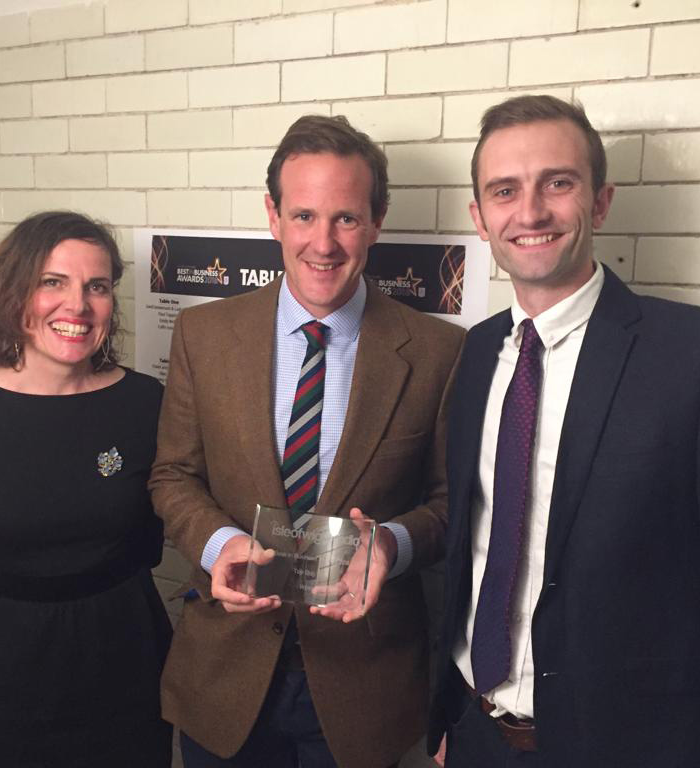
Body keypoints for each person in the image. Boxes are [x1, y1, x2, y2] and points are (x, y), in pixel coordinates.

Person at [428, 95, 700, 768]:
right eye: (505, 191)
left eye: (558, 183)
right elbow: (473, 547)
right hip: (476, 735)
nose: (530, 212)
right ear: (480, 218)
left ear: (601, 202)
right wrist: (448, 719)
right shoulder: (477, 352)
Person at [150, 115, 464, 768]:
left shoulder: (439, 352)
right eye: (303, 216)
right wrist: (219, 544)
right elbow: (172, 475)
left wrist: (391, 544)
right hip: (225, 673)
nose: (323, 243)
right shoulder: (204, 335)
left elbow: (449, 504)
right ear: (273, 216)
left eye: (346, 218)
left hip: (363, 685)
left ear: (376, 222)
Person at [0, 211, 173, 768]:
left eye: (97, 286)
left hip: (129, 657)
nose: (78, 305)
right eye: (53, 282)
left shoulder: (147, 405)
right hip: (3, 671)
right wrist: (15, 631)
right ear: (14, 292)